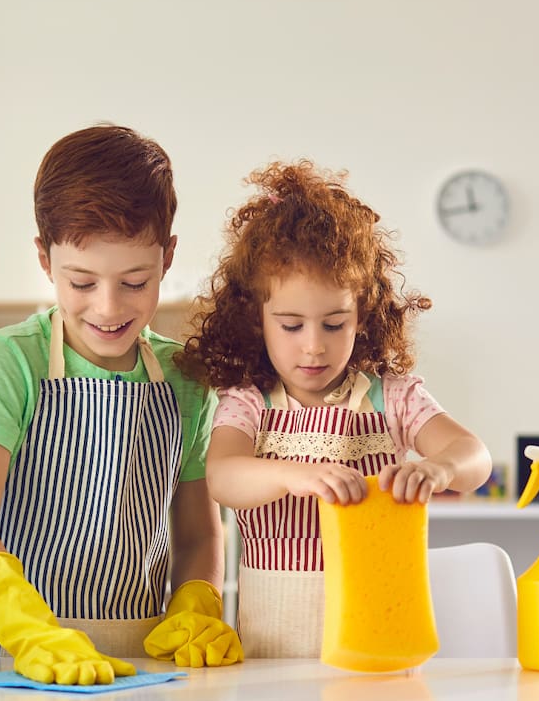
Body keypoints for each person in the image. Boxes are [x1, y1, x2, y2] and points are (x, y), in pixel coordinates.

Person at [0, 124, 243, 685]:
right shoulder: (10, 361)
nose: (108, 307)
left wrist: (197, 603)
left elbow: (201, 533)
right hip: (4, 654)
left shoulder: (186, 378)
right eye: (81, 282)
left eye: (134, 281)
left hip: (141, 656)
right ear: (44, 259)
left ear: (168, 257)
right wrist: (30, 630)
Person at [176, 159, 491, 659]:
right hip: (270, 653)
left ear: (362, 316)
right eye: (292, 325)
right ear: (257, 320)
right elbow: (223, 478)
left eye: (334, 324)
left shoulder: (393, 396)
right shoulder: (248, 401)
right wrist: (293, 476)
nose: (313, 348)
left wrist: (439, 466)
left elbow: (474, 456)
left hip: (379, 644)